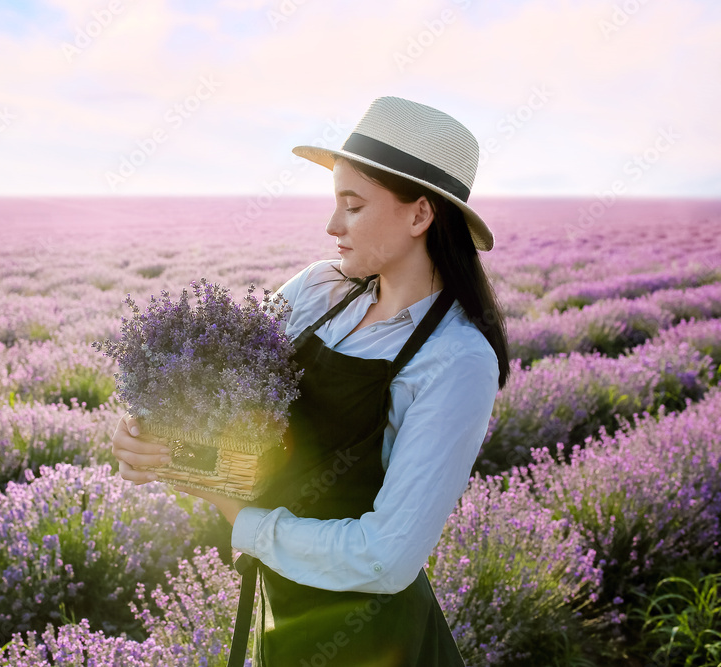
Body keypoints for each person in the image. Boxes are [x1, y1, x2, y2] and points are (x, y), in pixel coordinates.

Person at [111, 96, 510, 667]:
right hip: (285, 605)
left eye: (353, 206)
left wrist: (243, 520)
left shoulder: (457, 359)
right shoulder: (319, 289)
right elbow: (215, 387)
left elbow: (386, 559)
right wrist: (149, 435)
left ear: (420, 216)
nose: (331, 226)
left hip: (375, 640)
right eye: (335, 203)